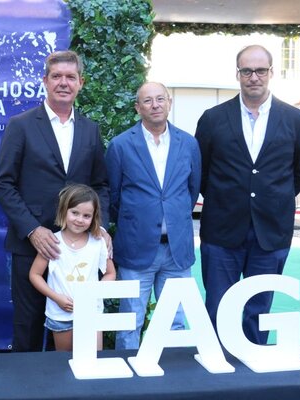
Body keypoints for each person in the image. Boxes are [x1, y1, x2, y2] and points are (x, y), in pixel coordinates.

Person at [0, 50, 110, 352]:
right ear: (45, 81)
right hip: (32, 245)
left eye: (70, 77)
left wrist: (99, 228)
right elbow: (3, 183)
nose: (63, 83)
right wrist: (33, 230)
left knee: (77, 330)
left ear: (81, 83)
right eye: (56, 76)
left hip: (77, 249)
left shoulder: (90, 129)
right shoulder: (21, 125)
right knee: (28, 327)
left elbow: (100, 185)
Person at [196, 45, 300, 345]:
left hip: (271, 232)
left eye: (260, 70)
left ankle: (254, 365)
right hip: (222, 231)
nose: (254, 77)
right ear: (237, 74)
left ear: (271, 72)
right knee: (217, 305)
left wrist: (272, 199)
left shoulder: (295, 119)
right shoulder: (212, 118)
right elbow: (201, 171)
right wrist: (226, 199)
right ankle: (216, 364)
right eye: (247, 71)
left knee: (259, 310)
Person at [106, 82, 201, 349]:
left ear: (169, 103)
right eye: (147, 101)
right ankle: (127, 374)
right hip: (136, 249)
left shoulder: (188, 143)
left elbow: (192, 189)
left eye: (160, 99)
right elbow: (113, 195)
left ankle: (172, 373)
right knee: (130, 322)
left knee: (175, 322)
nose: (155, 105)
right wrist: (140, 219)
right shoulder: (120, 145)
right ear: (138, 108)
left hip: (176, 250)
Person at [29, 184, 115, 351]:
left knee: (94, 359)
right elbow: (35, 274)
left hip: (91, 313)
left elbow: (110, 273)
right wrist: (56, 298)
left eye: (86, 215)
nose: (80, 219)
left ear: (94, 217)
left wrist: (94, 293)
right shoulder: (52, 242)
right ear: (64, 211)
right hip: (61, 315)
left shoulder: (98, 243)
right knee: (65, 360)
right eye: (74, 213)